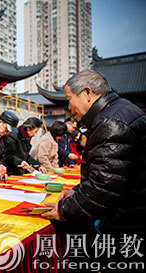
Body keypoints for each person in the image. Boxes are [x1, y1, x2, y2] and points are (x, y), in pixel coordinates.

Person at [42, 71, 146, 268]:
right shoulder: (120, 110)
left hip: (127, 222)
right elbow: (111, 173)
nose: (68, 107)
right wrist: (78, 191)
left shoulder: (110, 123)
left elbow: (104, 187)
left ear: (87, 93)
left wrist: (65, 209)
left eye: (69, 100)